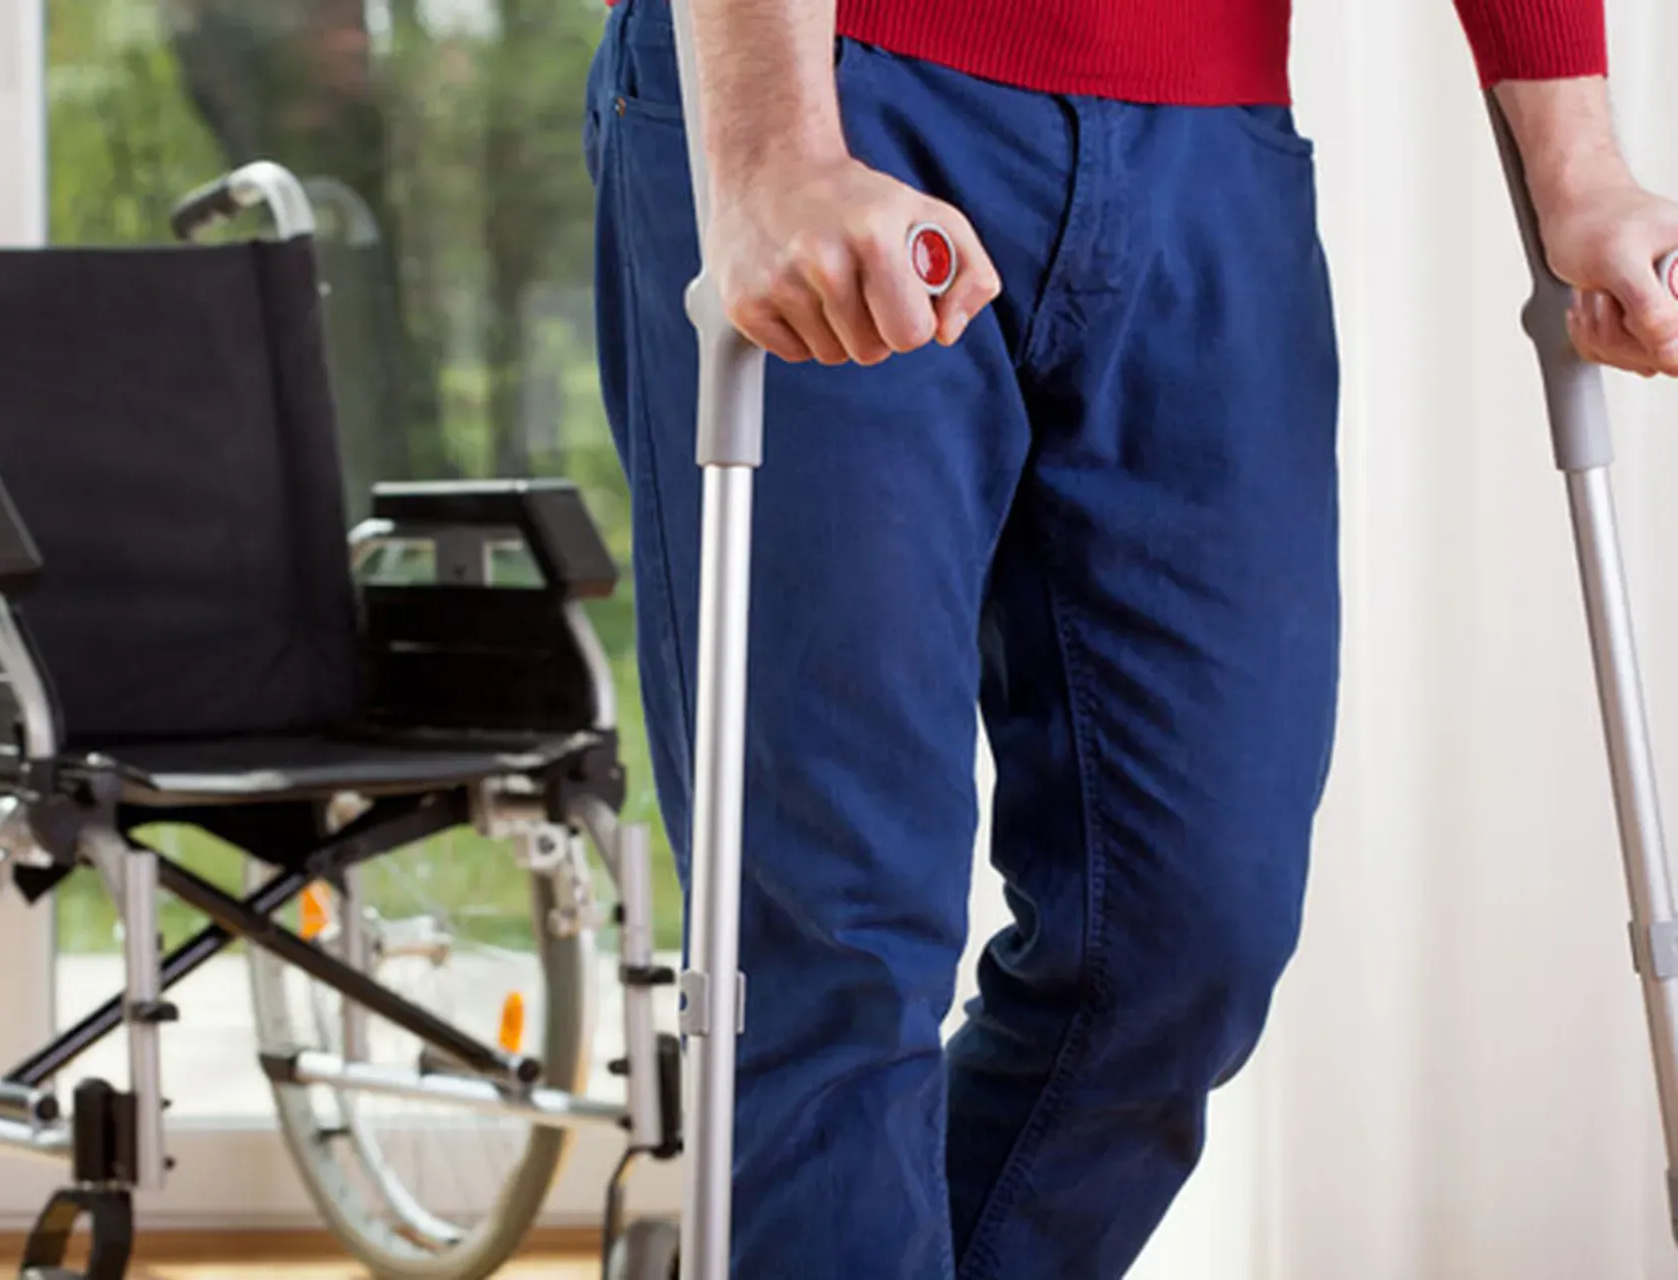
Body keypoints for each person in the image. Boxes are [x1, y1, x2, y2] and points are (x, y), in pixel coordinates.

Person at [580, 0, 1678, 1274]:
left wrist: (1579, 162)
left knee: (1185, 933)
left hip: (1207, 132)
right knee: (834, 942)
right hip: (836, 79)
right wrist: (773, 145)